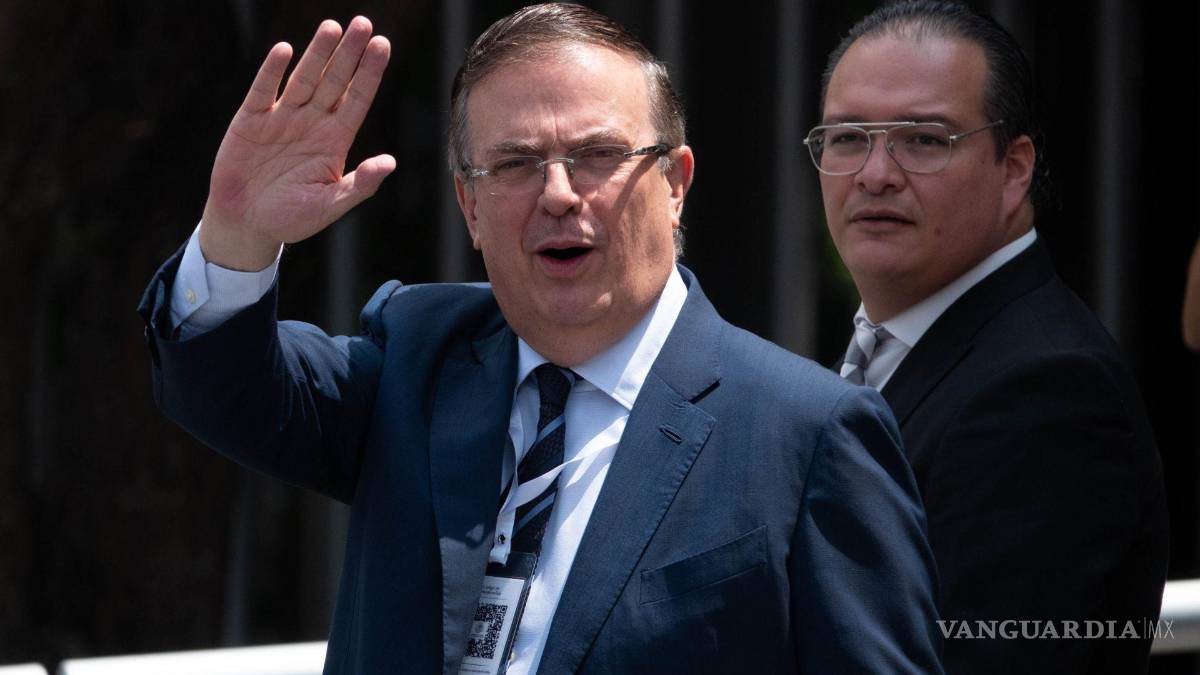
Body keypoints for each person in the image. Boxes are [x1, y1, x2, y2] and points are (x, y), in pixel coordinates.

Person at [138, 4, 943, 674]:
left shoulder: (807, 436)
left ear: (674, 184)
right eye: (516, 164)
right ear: (470, 208)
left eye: (597, 155)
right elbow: (226, 389)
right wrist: (237, 234)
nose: (558, 193)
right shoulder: (418, 355)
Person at [809, 1, 1168, 673]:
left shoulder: (1049, 391)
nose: (876, 173)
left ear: (1015, 169)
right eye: (849, 137)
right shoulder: (897, 343)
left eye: (924, 139)